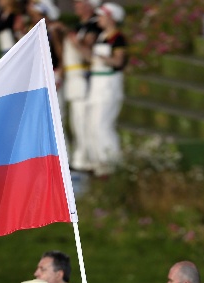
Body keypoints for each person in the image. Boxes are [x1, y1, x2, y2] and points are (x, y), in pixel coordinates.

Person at [79, 2, 128, 176]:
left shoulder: (117, 38)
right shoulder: (101, 37)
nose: (98, 19)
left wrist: (102, 58)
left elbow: (118, 61)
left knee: (102, 125)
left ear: (111, 18)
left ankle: (112, 164)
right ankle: (99, 164)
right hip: (96, 85)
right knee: (92, 125)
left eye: (101, 16)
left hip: (109, 85)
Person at [58, 0, 101, 172]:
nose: (76, 5)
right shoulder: (79, 26)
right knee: (76, 121)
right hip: (73, 77)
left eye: (80, 3)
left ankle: (86, 159)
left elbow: (86, 48)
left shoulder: (94, 25)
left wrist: (71, 38)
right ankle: (80, 157)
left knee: (83, 119)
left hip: (83, 76)